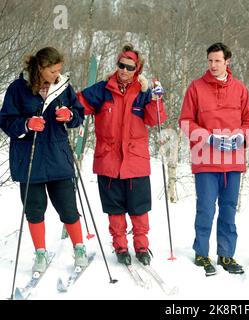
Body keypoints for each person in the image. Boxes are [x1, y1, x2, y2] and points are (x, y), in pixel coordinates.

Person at [0, 47, 88, 272]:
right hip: (29, 159)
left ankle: (79, 248)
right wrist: (27, 125)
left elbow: (79, 114)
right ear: (40, 68)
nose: (57, 74)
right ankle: (40, 253)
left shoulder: (63, 87)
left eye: (59, 70)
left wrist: (70, 116)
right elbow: (6, 121)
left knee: (68, 207)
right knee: (34, 210)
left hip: (58, 156)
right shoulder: (18, 89)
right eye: (52, 70)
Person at [77, 44, 166, 266]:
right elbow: (78, 105)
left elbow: (155, 120)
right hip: (108, 161)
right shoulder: (102, 90)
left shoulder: (143, 93)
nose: (124, 70)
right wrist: (62, 106)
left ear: (137, 70)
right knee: (115, 209)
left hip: (135, 162)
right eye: (121, 65)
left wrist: (155, 99)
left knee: (139, 209)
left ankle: (142, 246)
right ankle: (120, 246)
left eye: (129, 67)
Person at [179, 42, 249, 276]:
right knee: (205, 208)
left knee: (229, 209)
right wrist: (208, 137)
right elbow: (185, 121)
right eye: (210, 61)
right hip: (205, 159)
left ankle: (226, 255)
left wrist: (241, 137)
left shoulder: (240, 89)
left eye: (217, 61)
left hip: (233, 161)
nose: (213, 65)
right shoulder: (196, 88)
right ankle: (202, 253)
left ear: (227, 62)